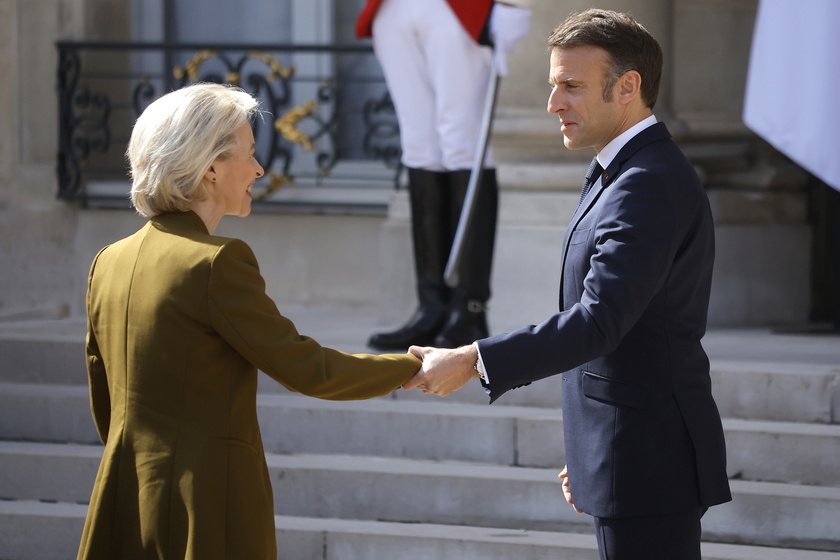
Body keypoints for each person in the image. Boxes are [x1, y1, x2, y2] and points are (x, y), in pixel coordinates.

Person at [403, 9, 732, 560]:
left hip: (648, 457)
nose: (553, 104)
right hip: (627, 451)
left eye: (571, 87)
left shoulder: (646, 182)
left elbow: (598, 321)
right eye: (554, 85)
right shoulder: (622, 170)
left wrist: (471, 358)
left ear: (628, 87)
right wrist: (589, 448)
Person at [76, 83, 421, 560]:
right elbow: (308, 368)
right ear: (211, 167)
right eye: (250, 154)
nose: (259, 169)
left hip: (122, 496)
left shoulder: (106, 262)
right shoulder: (217, 262)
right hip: (207, 505)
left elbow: (104, 402)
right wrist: (412, 368)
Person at [356, 0, 531, 350]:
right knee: (419, 146)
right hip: (392, 8)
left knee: (462, 143)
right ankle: (432, 307)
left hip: (457, 8)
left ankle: (469, 309)